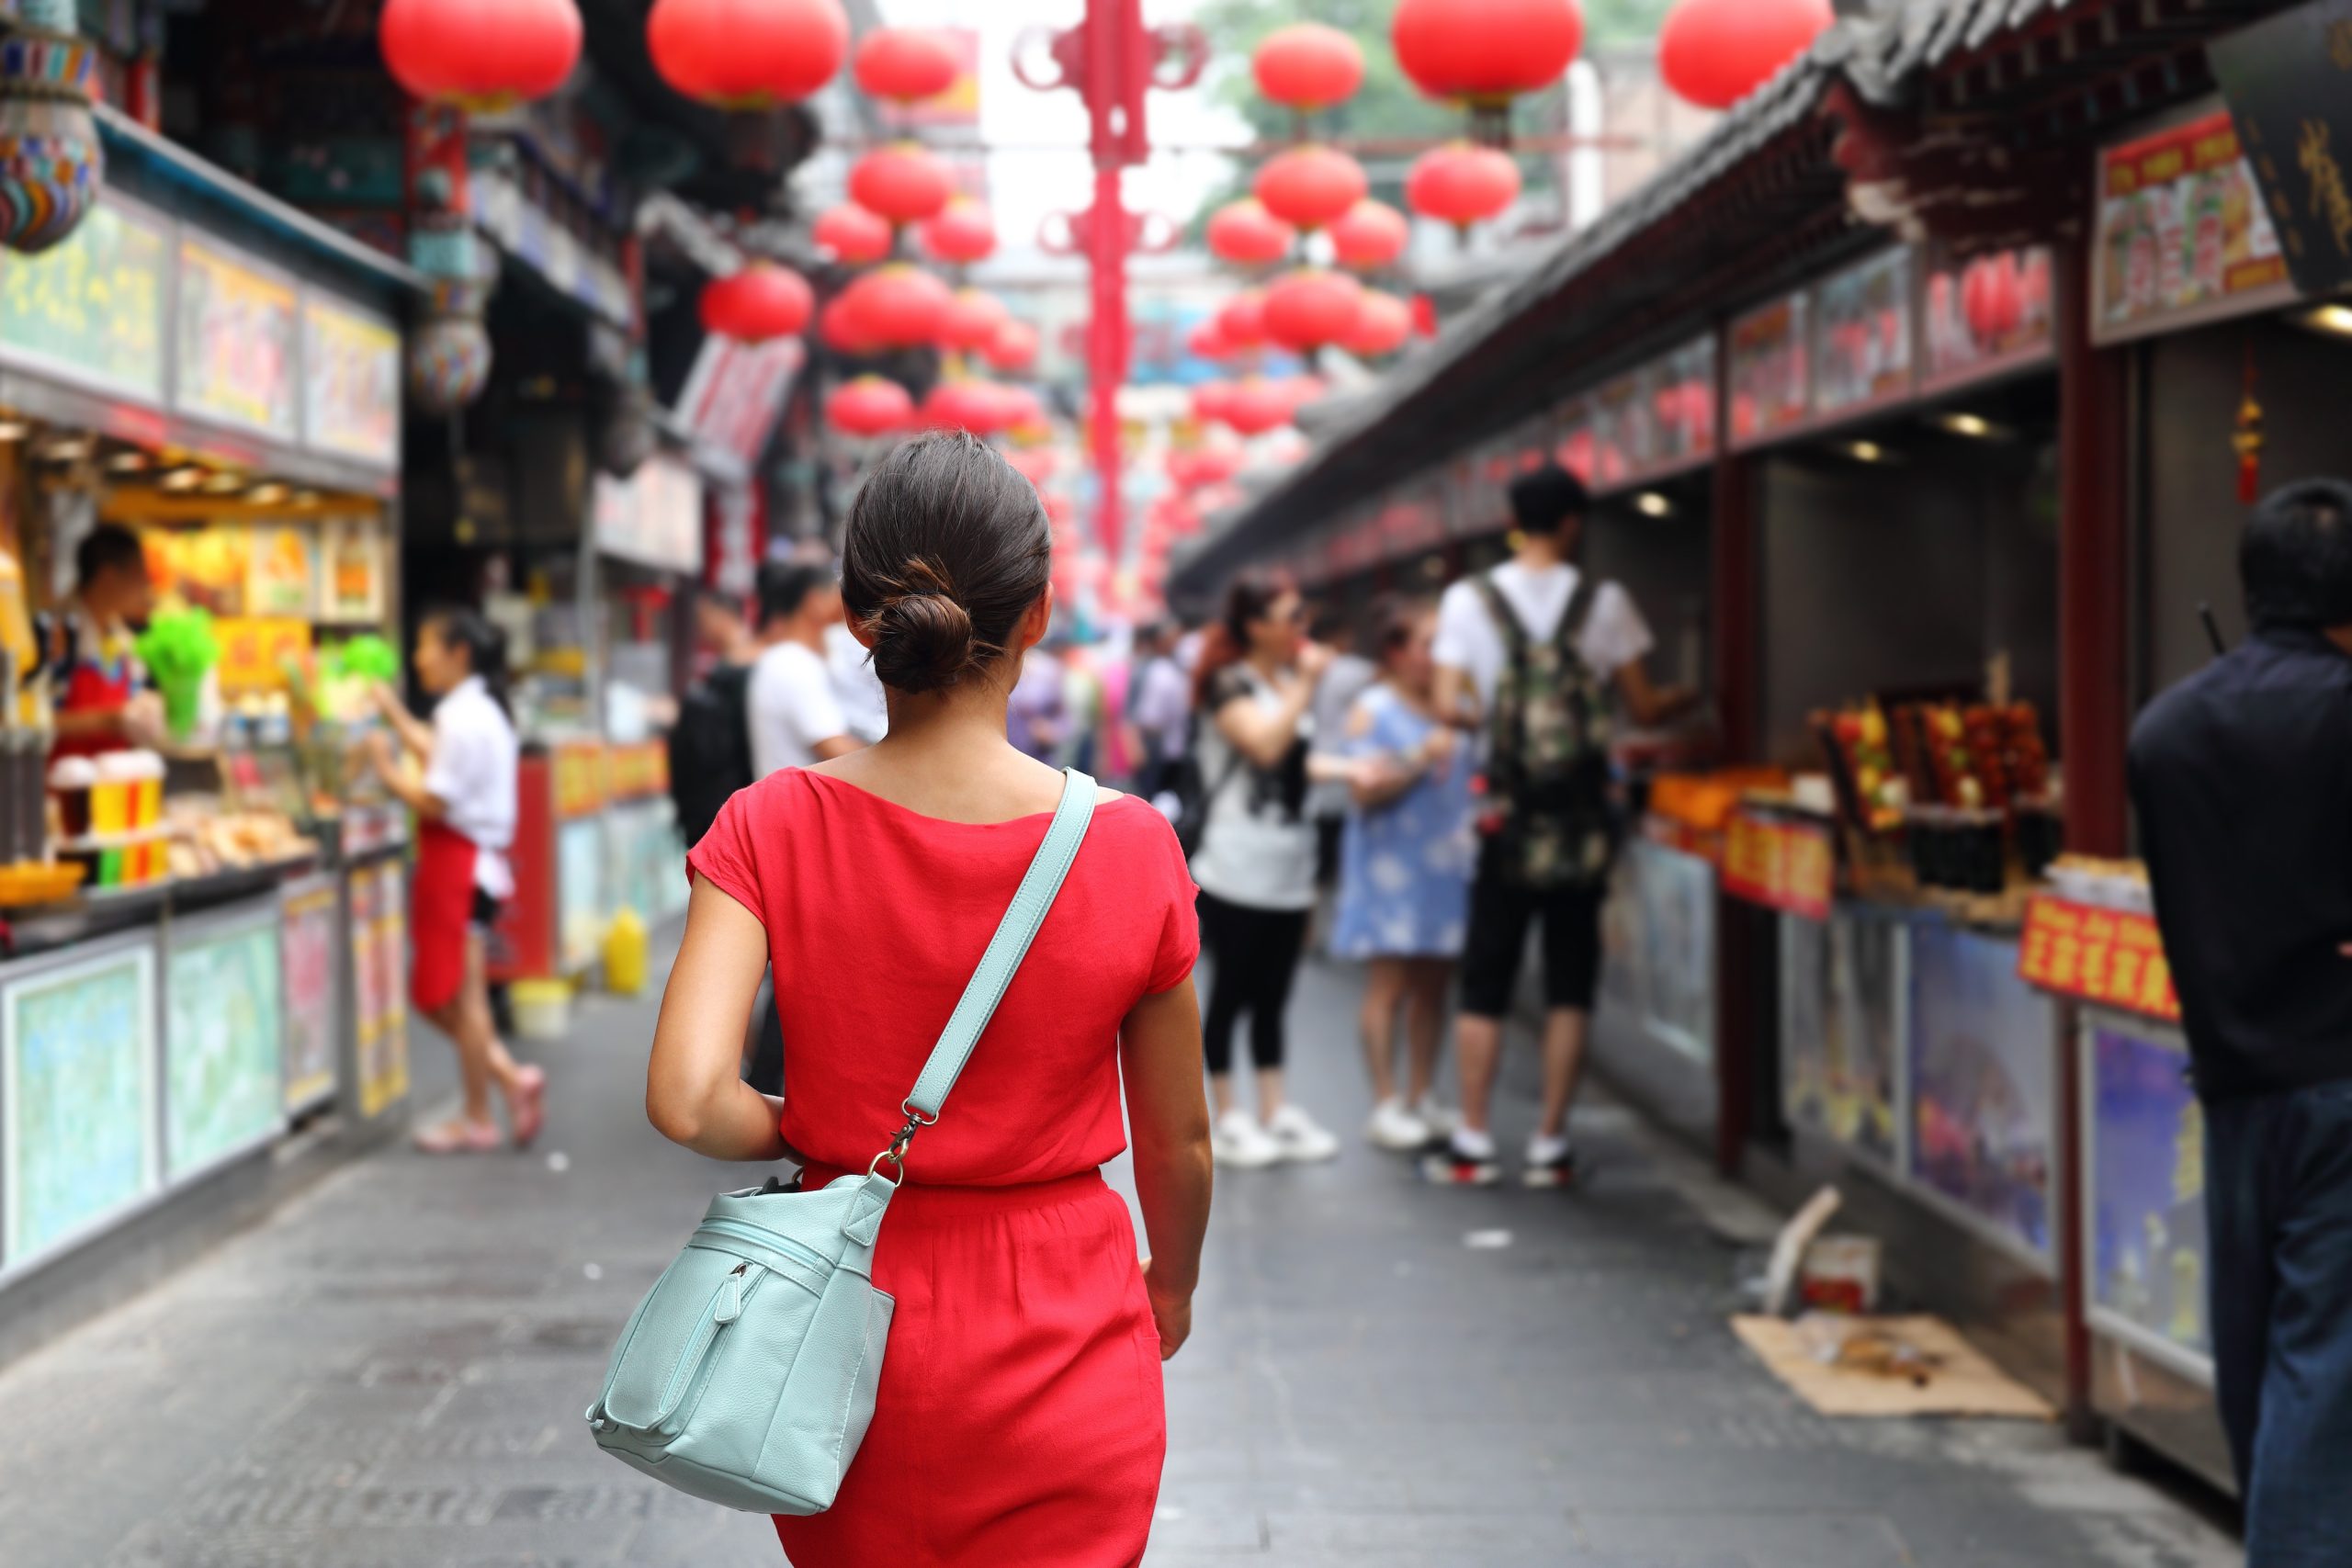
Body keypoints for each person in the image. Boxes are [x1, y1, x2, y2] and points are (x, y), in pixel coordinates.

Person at [646, 431, 1212, 1566]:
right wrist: (1174, 1284)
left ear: (859, 619)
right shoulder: (1129, 846)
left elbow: (689, 1099)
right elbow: (1181, 1143)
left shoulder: (770, 825)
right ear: (1040, 616)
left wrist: (816, 1129)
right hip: (1068, 1317)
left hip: (843, 1326)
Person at [2129, 479, 2352, 1563]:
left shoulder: (2163, 729)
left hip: (2228, 1086)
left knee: (2256, 1354)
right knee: (2324, 1361)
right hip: (2341, 1082)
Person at [1428, 464, 1696, 1187]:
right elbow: (1642, 707)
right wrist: (1695, 696)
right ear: (1574, 521)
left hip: (1503, 818)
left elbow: (1450, 704)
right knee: (1570, 982)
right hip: (1580, 821)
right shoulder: (1603, 601)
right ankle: (1550, 1141)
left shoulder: (1467, 600)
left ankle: (1474, 1136)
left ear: (1514, 518)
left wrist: (1485, 716)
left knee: (1486, 978)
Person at [367, 607, 542, 1154]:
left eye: (425, 644)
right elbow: (440, 759)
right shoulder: (478, 711)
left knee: (457, 999)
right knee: (456, 997)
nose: (417, 657)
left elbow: (435, 799)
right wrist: (394, 713)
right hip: (472, 865)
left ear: (457, 652)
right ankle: (506, 1082)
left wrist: (386, 770)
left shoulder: (460, 717)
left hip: (460, 865)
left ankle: (479, 1114)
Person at [1189, 572, 1343, 1168]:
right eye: (1291, 614)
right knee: (1232, 989)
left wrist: (1355, 771)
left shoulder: (1282, 683)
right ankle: (1229, 1115)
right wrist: (1306, 686)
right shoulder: (1230, 684)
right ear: (1257, 625)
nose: (1301, 627)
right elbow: (1265, 747)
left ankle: (1275, 1109)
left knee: (1276, 994)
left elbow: (1298, 765)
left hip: (1291, 866)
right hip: (1235, 866)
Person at [1329, 598, 1474, 1152]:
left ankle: (1421, 1093)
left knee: (1435, 983)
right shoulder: (1373, 707)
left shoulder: (1453, 706)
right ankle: (1386, 1102)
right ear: (1396, 652)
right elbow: (1364, 787)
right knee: (1388, 985)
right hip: (1389, 868)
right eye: (1427, 645)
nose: (1439, 657)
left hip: (1447, 865)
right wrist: (1418, 755)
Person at [51, 524, 161, 761]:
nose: (145, 586)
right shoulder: (59, 637)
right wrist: (108, 721)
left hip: (111, 787)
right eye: (139, 575)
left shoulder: (120, 637)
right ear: (109, 577)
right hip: (64, 789)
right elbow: (32, 723)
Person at [746, 561, 860, 778]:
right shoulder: (792, 664)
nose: (846, 605)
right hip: (794, 807)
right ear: (815, 601)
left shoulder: (800, 659)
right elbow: (836, 749)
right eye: (837, 596)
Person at [669, 590, 759, 849]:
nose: (700, 628)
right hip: (720, 804)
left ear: (724, 615)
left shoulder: (742, 669)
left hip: (725, 803)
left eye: (704, 619)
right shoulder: (731, 666)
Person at [1306, 610, 1377, 903]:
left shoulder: (1299, 669)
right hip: (1343, 769)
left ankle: (1309, 933)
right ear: (1337, 636)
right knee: (1340, 856)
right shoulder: (1353, 669)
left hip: (1312, 766)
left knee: (1315, 862)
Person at [1129, 619, 1193, 809]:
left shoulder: (1178, 667)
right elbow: (1133, 713)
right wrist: (1134, 745)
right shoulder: (1145, 670)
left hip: (1174, 747)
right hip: (1153, 747)